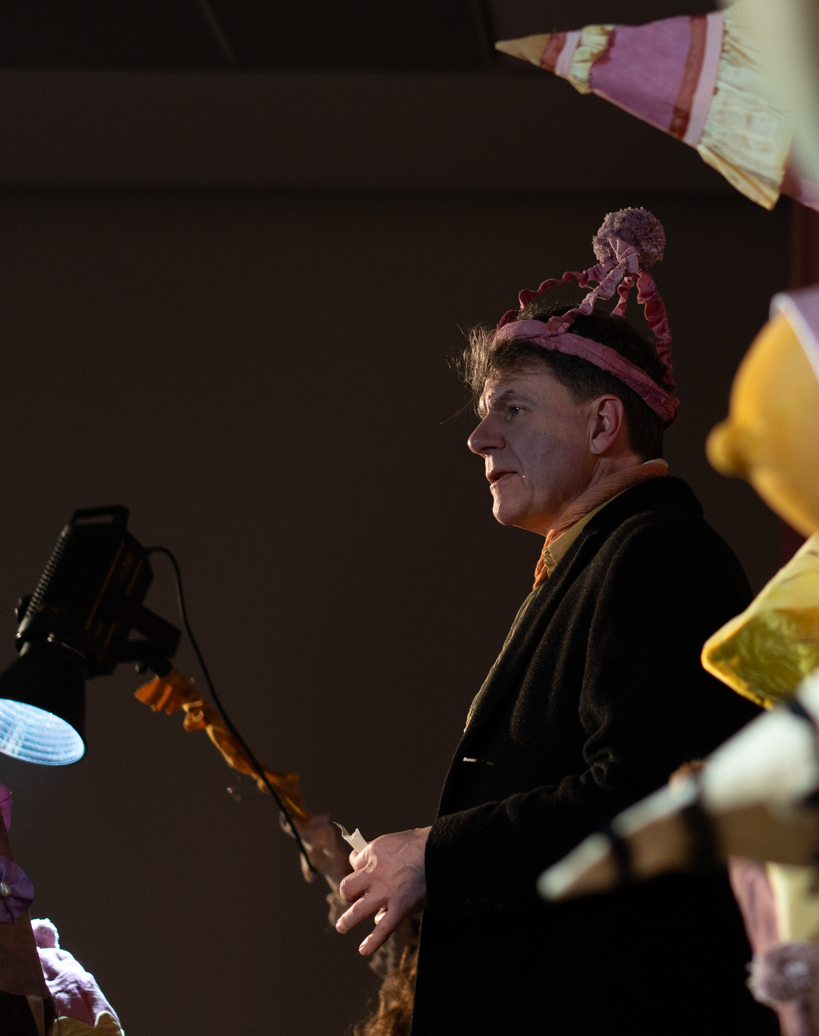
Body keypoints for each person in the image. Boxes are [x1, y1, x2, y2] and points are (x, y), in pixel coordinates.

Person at [333, 209, 777, 1034]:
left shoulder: (656, 554)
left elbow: (648, 794)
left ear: (603, 424)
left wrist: (439, 856)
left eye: (512, 409)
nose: (478, 438)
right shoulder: (604, 558)